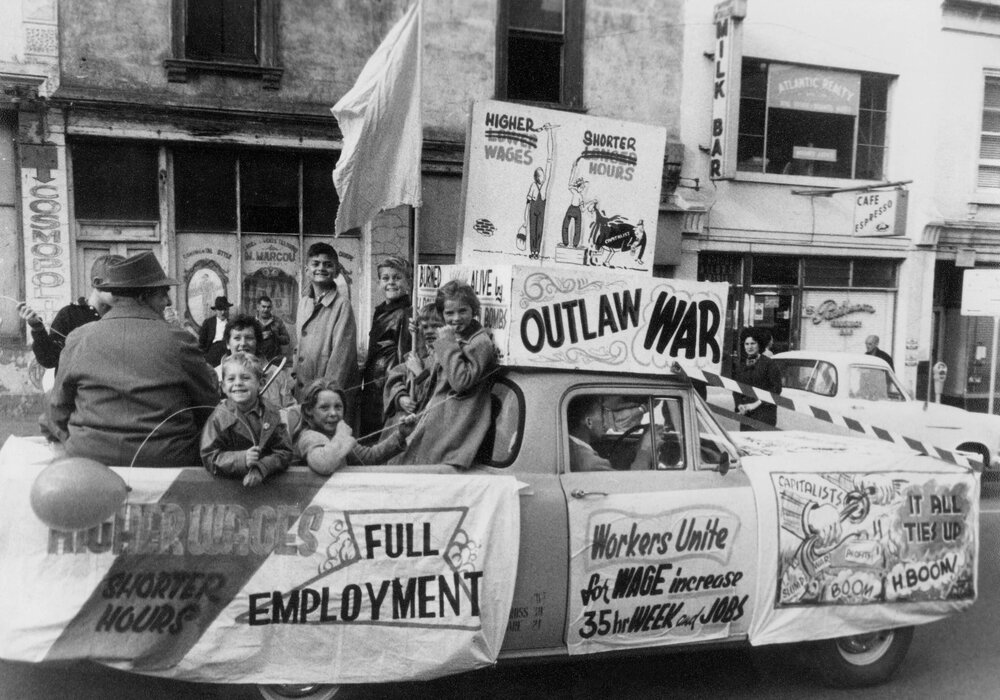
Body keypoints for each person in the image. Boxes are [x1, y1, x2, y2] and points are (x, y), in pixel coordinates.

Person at [44, 251, 220, 466]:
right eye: (162, 293)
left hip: (90, 460)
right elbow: (207, 405)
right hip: (167, 460)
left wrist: (77, 441)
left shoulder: (79, 337)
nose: (167, 301)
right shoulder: (179, 340)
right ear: (143, 296)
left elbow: (58, 410)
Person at [396, 280, 497, 468]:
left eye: (463, 311)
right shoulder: (456, 336)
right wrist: (419, 337)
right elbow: (435, 371)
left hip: (455, 428)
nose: (456, 318)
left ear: (473, 310)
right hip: (438, 419)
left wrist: (448, 343)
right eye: (449, 313)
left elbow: (461, 381)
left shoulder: (479, 342)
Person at [17, 254, 125, 371]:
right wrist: (37, 328)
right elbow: (49, 360)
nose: (125, 292)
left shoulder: (125, 316)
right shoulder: (69, 314)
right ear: (97, 282)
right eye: (118, 285)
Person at [201, 352, 292, 486]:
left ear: (260, 384)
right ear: (223, 387)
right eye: (231, 379)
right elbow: (209, 456)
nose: (238, 383)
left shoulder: (271, 414)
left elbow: (284, 451)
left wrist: (262, 467)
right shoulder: (219, 417)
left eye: (245, 378)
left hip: (266, 487)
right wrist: (242, 459)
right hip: (227, 489)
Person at [290, 379, 415, 474]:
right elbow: (324, 464)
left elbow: (370, 456)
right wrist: (341, 435)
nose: (333, 413)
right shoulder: (309, 436)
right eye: (324, 408)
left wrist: (400, 435)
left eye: (338, 407)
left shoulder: (335, 436)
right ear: (308, 411)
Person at [294, 243, 360, 423]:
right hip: (304, 394)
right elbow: (299, 348)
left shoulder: (342, 305)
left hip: (327, 400)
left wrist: (326, 399)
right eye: (316, 264)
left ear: (337, 271)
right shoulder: (304, 303)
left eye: (327, 264)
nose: (321, 268)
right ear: (307, 270)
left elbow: (341, 358)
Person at [359, 256, 412, 439]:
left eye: (397, 277)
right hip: (374, 381)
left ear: (408, 281)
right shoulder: (381, 310)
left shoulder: (406, 313)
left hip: (388, 383)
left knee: (383, 436)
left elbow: (404, 354)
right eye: (385, 278)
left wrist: (398, 390)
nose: (391, 282)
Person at [214, 314, 296, 409]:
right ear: (228, 343)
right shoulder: (215, 377)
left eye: (249, 338)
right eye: (237, 338)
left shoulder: (276, 375)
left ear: (258, 343)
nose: (243, 343)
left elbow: (292, 411)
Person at [383, 303, 443, 430]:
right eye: (425, 327)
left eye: (436, 326)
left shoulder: (445, 358)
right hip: (403, 420)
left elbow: (437, 393)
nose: (430, 331)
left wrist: (420, 373)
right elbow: (395, 377)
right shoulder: (420, 356)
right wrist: (400, 398)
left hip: (426, 424)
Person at [732, 328, 783, 431]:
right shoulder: (741, 366)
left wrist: (756, 404)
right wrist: (739, 405)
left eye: (753, 343)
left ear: (759, 344)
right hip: (747, 414)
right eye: (747, 344)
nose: (749, 347)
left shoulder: (769, 364)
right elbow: (736, 388)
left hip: (764, 414)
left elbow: (776, 389)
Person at [567, 395, 614, 472]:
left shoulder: (568, 446)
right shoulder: (595, 463)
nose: (606, 424)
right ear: (589, 422)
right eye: (602, 415)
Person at [198, 295, 234, 367]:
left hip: (227, 352)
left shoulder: (232, 324)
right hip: (213, 351)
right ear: (216, 310)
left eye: (225, 309)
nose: (223, 312)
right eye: (220, 309)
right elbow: (202, 342)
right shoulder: (208, 323)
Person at [255, 295, 291, 361]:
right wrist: (259, 336)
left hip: (274, 360)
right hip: (256, 359)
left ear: (271, 308)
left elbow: (287, 340)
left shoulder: (277, 321)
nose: (266, 310)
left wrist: (274, 335)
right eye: (263, 307)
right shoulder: (253, 322)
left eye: (268, 307)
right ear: (258, 307)